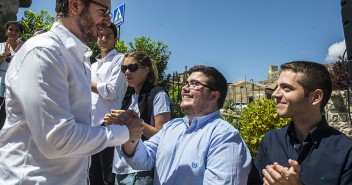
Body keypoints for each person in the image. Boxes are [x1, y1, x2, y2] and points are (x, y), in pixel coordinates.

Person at [0, 0, 143, 184]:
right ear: (75, 5)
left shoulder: (78, 58)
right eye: (103, 11)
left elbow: (74, 124)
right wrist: (123, 132)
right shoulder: (45, 52)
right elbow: (57, 139)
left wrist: (114, 124)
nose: (108, 20)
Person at [115, 65, 252, 185]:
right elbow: (142, 160)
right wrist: (132, 135)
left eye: (194, 84)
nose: (184, 89)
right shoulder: (171, 127)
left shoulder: (225, 137)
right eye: (186, 83)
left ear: (214, 96)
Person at [247, 61, 352, 185]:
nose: (275, 94)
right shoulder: (271, 141)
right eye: (277, 87)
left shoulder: (346, 151)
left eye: (286, 88)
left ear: (316, 97)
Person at [104, 50, 172, 185]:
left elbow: (164, 136)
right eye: (124, 68)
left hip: (141, 172)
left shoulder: (158, 95)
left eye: (132, 67)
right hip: (120, 168)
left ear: (146, 70)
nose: (127, 72)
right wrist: (113, 122)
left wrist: (132, 121)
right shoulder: (128, 97)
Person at [89, 23, 128, 185]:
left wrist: (85, 82)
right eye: (100, 35)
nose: (103, 39)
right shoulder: (92, 64)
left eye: (108, 36)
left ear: (115, 39)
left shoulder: (120, 59)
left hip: (108, 123)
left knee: (108, 176)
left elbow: (111, 91)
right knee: (93, 174)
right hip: (90, 124)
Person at [0, 21, 23, 128]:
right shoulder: (0, 46)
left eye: (16, 30)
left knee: (7, 115)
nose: (13, 32)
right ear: (6, 31)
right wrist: (3, 54)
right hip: (0, 83)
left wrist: (18, 53)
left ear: (19, 33)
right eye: (11, 29)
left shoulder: (23, 49)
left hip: (14, 87)